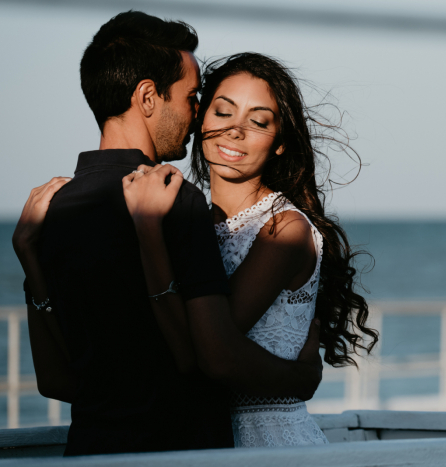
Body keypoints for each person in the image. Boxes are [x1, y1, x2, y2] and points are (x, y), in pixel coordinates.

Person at [12, 12, 322, 456]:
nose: (196, 115)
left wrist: (29, 261)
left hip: (89, 453)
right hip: (180, 451)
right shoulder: (175, 202)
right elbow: (202, 360)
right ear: (147, 96)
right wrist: (300, 378)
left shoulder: (52, 212)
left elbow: (56, 381)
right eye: (193, 97)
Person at [123, 52, 379, 448]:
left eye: (258, 121)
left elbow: (207, 352)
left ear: (279, 144)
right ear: (200, 119)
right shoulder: (191, 221)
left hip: (271, 441)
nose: (236, 130)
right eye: (223, 112)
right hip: (205, 437)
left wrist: (148, 235)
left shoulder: (284, 229)